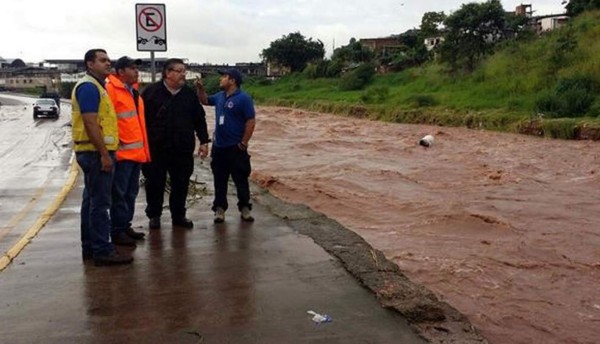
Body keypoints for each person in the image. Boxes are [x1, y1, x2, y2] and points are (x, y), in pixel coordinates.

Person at [71, 49, 133, 266]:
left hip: (92, 151)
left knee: (91, 201)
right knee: (101, 204)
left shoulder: (97, 86)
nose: (108, 63)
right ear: (90, 64)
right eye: (103, 60)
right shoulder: (89, 87)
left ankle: (90, 246)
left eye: (109, 60)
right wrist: (105, 154)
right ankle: (102, 250)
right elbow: (90, 122)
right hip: (95, 153)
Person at [141, 58, 210, 229]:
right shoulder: (150, 93)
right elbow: (138, 121)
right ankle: (154, 215)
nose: (183, 75)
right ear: (167, 73)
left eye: (184, 71)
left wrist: (204, 141)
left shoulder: (188, 95)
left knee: (181, 183)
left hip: (182, 149)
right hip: (156, 149)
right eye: (179, 71)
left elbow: (199, 119)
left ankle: (178, 215)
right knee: (154, 182)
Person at [195, 68, 256, 223]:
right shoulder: (220, 97)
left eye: (224, 76)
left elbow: (250, 121)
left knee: (240, 179)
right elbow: (204, 101)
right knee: (219, 180)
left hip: (236, 147)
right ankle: (220, 209)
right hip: (219, 147)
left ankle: (245, 208)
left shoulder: (244, 99)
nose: (220, 79)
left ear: (233, 81)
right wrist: (200, 89)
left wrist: (243, 143)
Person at [106, 56, 151, 246]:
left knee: (130, 194)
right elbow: (107, 121)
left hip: (136, 154)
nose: (136, 71)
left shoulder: (133, 92)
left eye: (136, 68)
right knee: (119, 195)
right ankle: (117, 231)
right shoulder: (111, 90)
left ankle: (125, 226)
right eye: (132, 68)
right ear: (121, 72)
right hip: (122, 154)